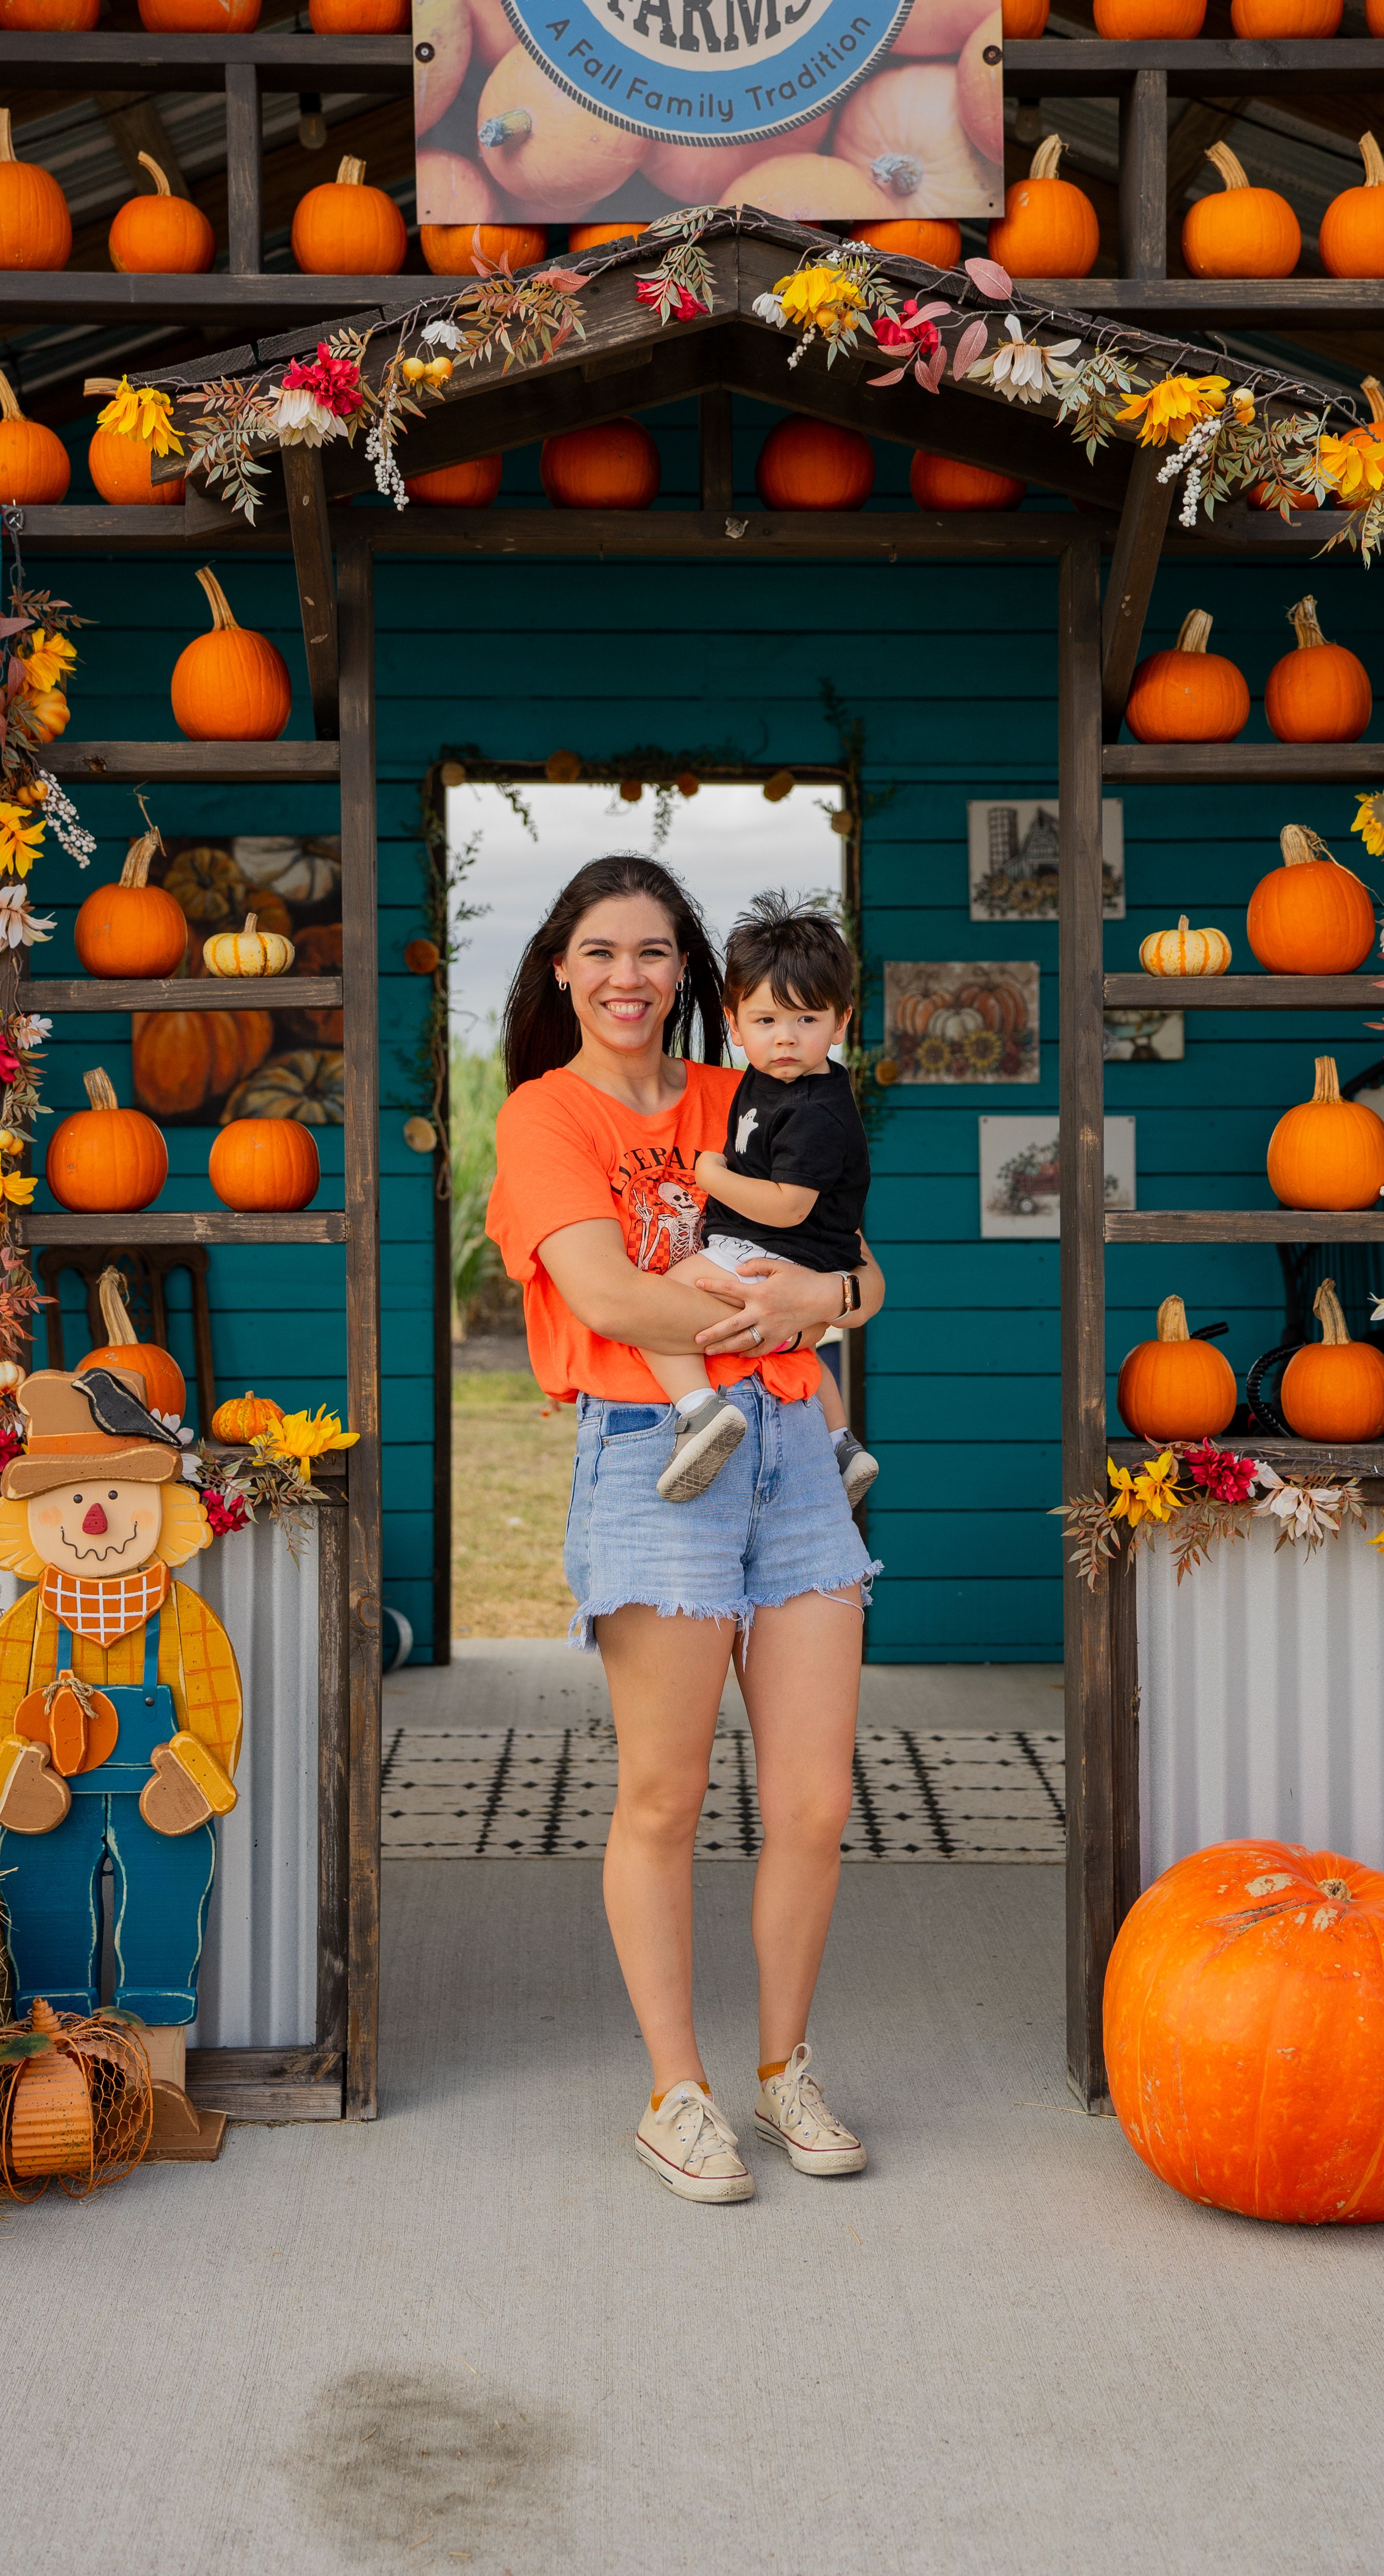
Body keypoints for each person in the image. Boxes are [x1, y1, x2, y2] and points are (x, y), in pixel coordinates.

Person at [487, 855, 885, 2205]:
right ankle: (679, 2092)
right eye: (601, 951)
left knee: (816, 1804)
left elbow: (866, 1268)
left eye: (655, 953)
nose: (627, 977)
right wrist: (789, 1312)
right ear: (561, 967)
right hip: (660, 1454)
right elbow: (604, 1296)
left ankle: (785, 2071)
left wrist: (810, 1305)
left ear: (694, 979)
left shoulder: (752, 1089)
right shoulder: (546, 1116)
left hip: (791, 1459)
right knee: (665, 1796)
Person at [637, 891, 879, 1509]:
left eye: (807, 1021)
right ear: (736, 1025)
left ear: (842, 1021)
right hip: (804, 1254)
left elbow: (788, 1206)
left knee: (653, 1303)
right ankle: (840, 1444)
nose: (786, 1040)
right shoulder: (773, 1080)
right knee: (793, 1340)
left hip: (771, 1244)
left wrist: (710, 1176)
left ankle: (697, 1412)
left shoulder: (814, 1109)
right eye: (767, 1021)